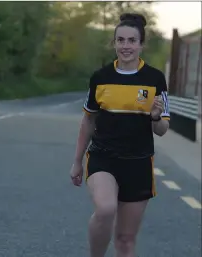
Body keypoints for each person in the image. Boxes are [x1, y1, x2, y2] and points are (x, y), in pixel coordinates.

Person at [69, 13, 170, 257]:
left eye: (132, 41)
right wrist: (76, 161)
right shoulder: (100, 78)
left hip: (139, 163)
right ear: (114, 43)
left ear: (141, 44)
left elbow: (162, 130)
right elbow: (88, 120)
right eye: (121, 40)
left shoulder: (155, 79)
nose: (126, 46)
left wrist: (156, 116)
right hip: (104, 157)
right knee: (105, 209)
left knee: (125, 240)